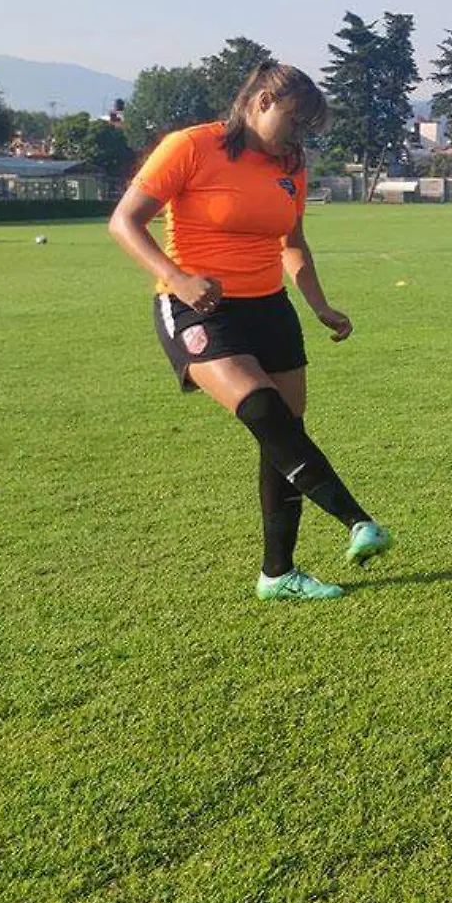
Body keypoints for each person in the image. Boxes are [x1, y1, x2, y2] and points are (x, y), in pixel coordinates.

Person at [106, 60, 392, 602]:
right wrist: (177, 277)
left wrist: (320, 306)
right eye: (295, 119)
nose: (300, 134)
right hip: (199, 308)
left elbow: (293, 245)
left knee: (281, 432)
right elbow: (125, 220)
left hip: (271, 307)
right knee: (262, 409)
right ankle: (357, 520)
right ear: (261, 101)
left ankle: (278, 574)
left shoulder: (292, 166)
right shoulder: (191, 146)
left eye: (308, 126)